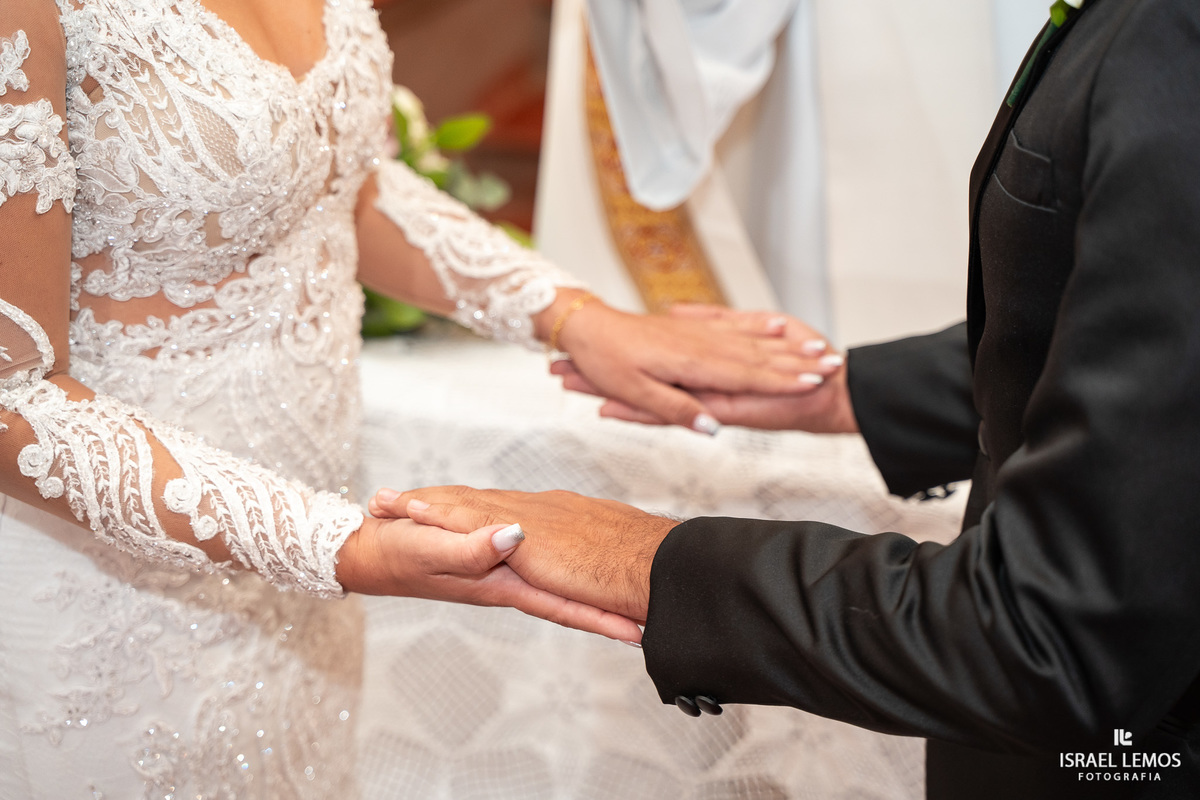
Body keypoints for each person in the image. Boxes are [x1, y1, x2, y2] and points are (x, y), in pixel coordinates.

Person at [0, 0, 841, 795]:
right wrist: (335, 545)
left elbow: (338, 184)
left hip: (306, 587)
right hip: (106, 594)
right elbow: (12, 394)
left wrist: (573, 315)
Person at [379, 0, 1200, 797]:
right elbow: (1151, 364)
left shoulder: (1171, 42)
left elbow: (1050, 637)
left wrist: (641, 558)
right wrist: (849, 392)